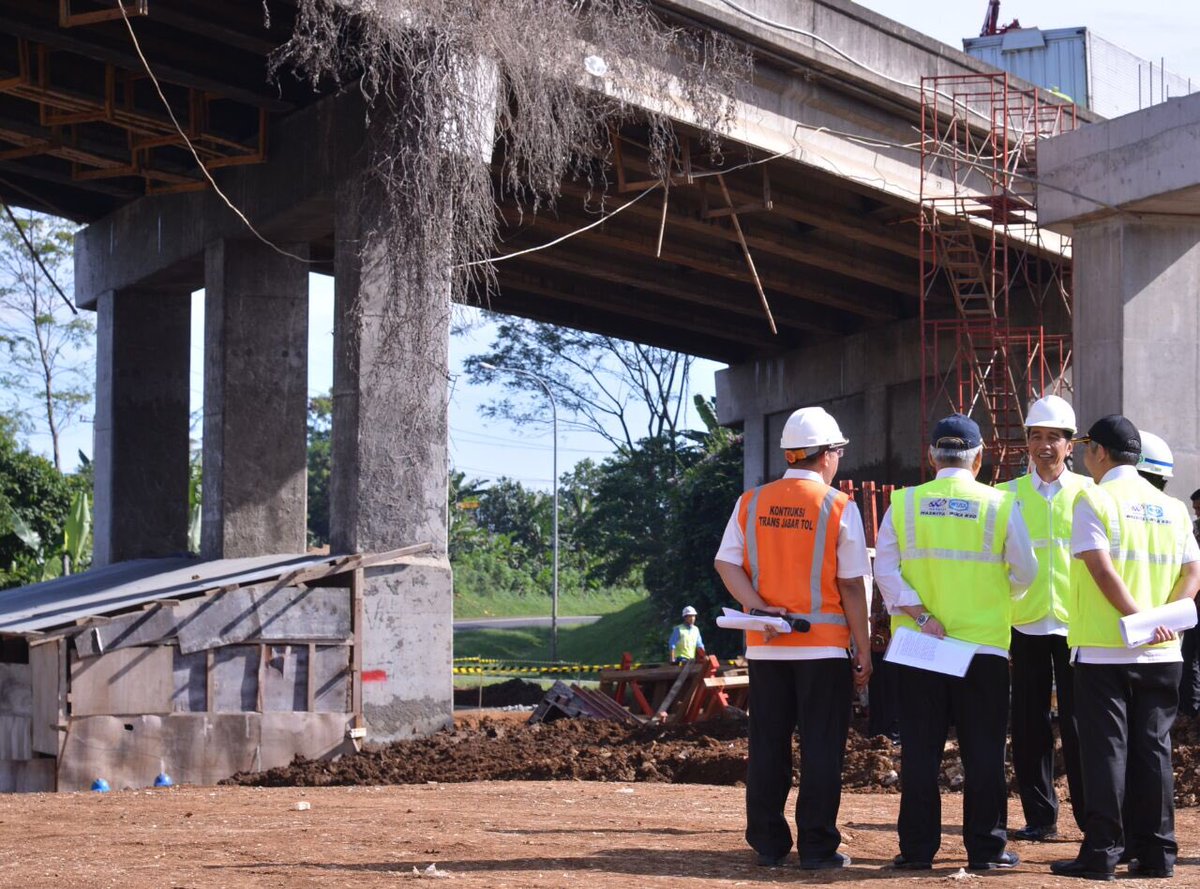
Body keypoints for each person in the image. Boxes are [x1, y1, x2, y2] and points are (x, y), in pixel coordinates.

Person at [875, 413, 1037, 872]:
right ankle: (986, 850)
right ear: (980, 458)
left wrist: (923, 615)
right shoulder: (1000, 505)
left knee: (921, 752)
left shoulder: (904, 504)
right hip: (982, 648)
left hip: (920, 647)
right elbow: (1026, 573)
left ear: (931, 456)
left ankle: (917, 850)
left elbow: (885, 572)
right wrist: (994, 599)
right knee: (984, 751)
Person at [714, 405, 872, 871]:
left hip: (766, 646)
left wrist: (759, 608)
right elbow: (850, 585)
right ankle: (818, 847)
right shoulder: (839, 505)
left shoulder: (752, 502)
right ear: (825, 455)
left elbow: (727, 563)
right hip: (823, 649)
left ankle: (768, 843)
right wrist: (862, 647)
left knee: (767, 744)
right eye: (838, 451)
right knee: (822, 747)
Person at [1051, 416, 1200, 881]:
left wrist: (1137, 620)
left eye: (1084, 448)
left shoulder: (1092, 498)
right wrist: (1162, 621)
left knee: (1106, 753)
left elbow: (1099, 569)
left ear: (1098, 450)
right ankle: (1157, 855)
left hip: (1104, 651)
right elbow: (1192, 574)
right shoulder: (1173, 507)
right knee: (1154, 751)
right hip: (1163, 653)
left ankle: (1103, 853)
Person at [998, 395, 1091, 841]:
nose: (1043, 446)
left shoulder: (1090, 495)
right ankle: (1040, 817)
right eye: (1036, 437)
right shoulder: (1005, 496)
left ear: (1070, 445)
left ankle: (1093, 819)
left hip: (1078, 626)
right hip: (1025, 623)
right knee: (1029, 724)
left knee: (1080, 726)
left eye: (1053, 437)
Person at [1136, 434, 1200, 719]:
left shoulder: (1101, 506)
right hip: (1171, 628)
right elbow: (1192, 574)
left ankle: (1192, 710)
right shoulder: (1179, 516)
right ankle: (1190, 709)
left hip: (1140, 637)